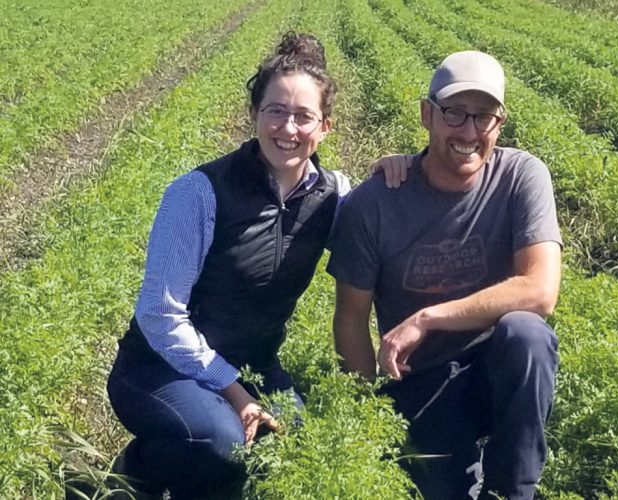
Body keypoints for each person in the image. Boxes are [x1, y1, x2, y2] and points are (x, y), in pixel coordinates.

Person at [104, 32, 403, 500]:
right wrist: (234, 392)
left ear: (325, 126)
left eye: (303, 116)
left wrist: (397, 169)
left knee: (297, 447)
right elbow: (160, 318)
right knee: (222, 444)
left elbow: (382, 223)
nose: (287, 128)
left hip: (255, 366)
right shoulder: (198, 194)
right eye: (275, 111)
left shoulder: (334, 196)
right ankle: (136, 473)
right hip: (159, 370)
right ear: (254, 115)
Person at [328, 50, 562, 500]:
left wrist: (427, 318)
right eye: (455, 113)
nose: (469, 132)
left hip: (496, 371)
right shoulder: (374, 204)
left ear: (500, 122)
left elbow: (540, 291)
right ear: (427, 114)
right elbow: (351, 319)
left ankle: (513, 490)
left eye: (484, 116)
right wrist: (362, 417)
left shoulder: (520, 177)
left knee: (526, 334)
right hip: (422, 384)